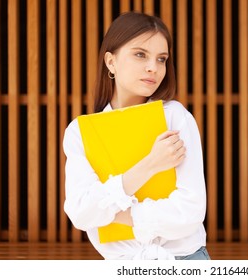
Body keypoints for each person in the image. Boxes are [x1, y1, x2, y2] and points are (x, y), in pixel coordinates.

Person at [63, 11, 209, 260]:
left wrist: (117, 214)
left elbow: (191, 211)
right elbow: (80, 213)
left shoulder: (175, 118)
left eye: (161, 59)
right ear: (111, 62)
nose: (153, 67)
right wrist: (150, 165)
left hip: (186, 262)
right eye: (140, 54)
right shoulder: (80, 131)